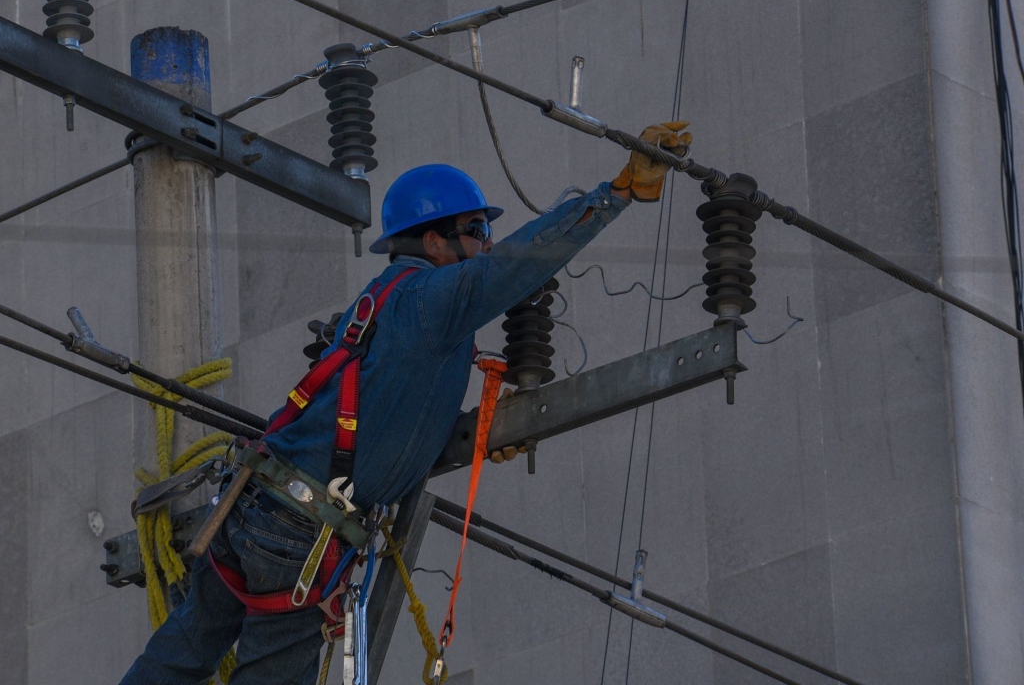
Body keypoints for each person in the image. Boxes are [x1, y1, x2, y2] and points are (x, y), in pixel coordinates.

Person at [120, 123, 693, 685]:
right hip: (299, 530)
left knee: (180, 654)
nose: (485, 244)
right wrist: (616, 194)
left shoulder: (379, 304)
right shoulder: (432, 301)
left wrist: (477, 435)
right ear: (434, 241)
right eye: (474, 230)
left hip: (254, 502)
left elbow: (385, 420)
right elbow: (518, 265)